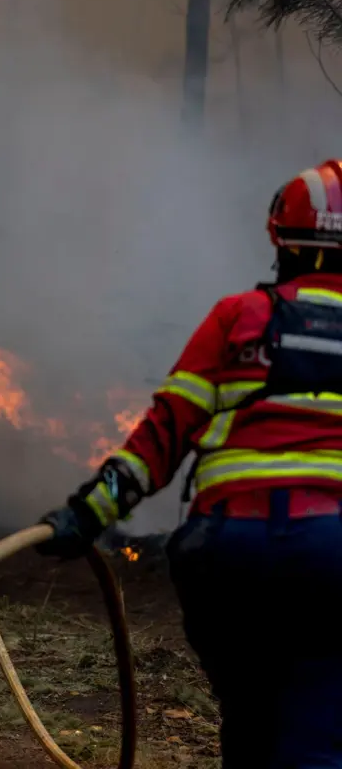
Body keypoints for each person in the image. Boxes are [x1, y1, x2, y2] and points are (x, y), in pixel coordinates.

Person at [36, 159, 342, 767]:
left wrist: (86, 514)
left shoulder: (238, 316)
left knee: (251, 716)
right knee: (319, 718)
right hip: (330, 550)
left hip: (230, 552)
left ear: (280, 239)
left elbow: (165, 433)